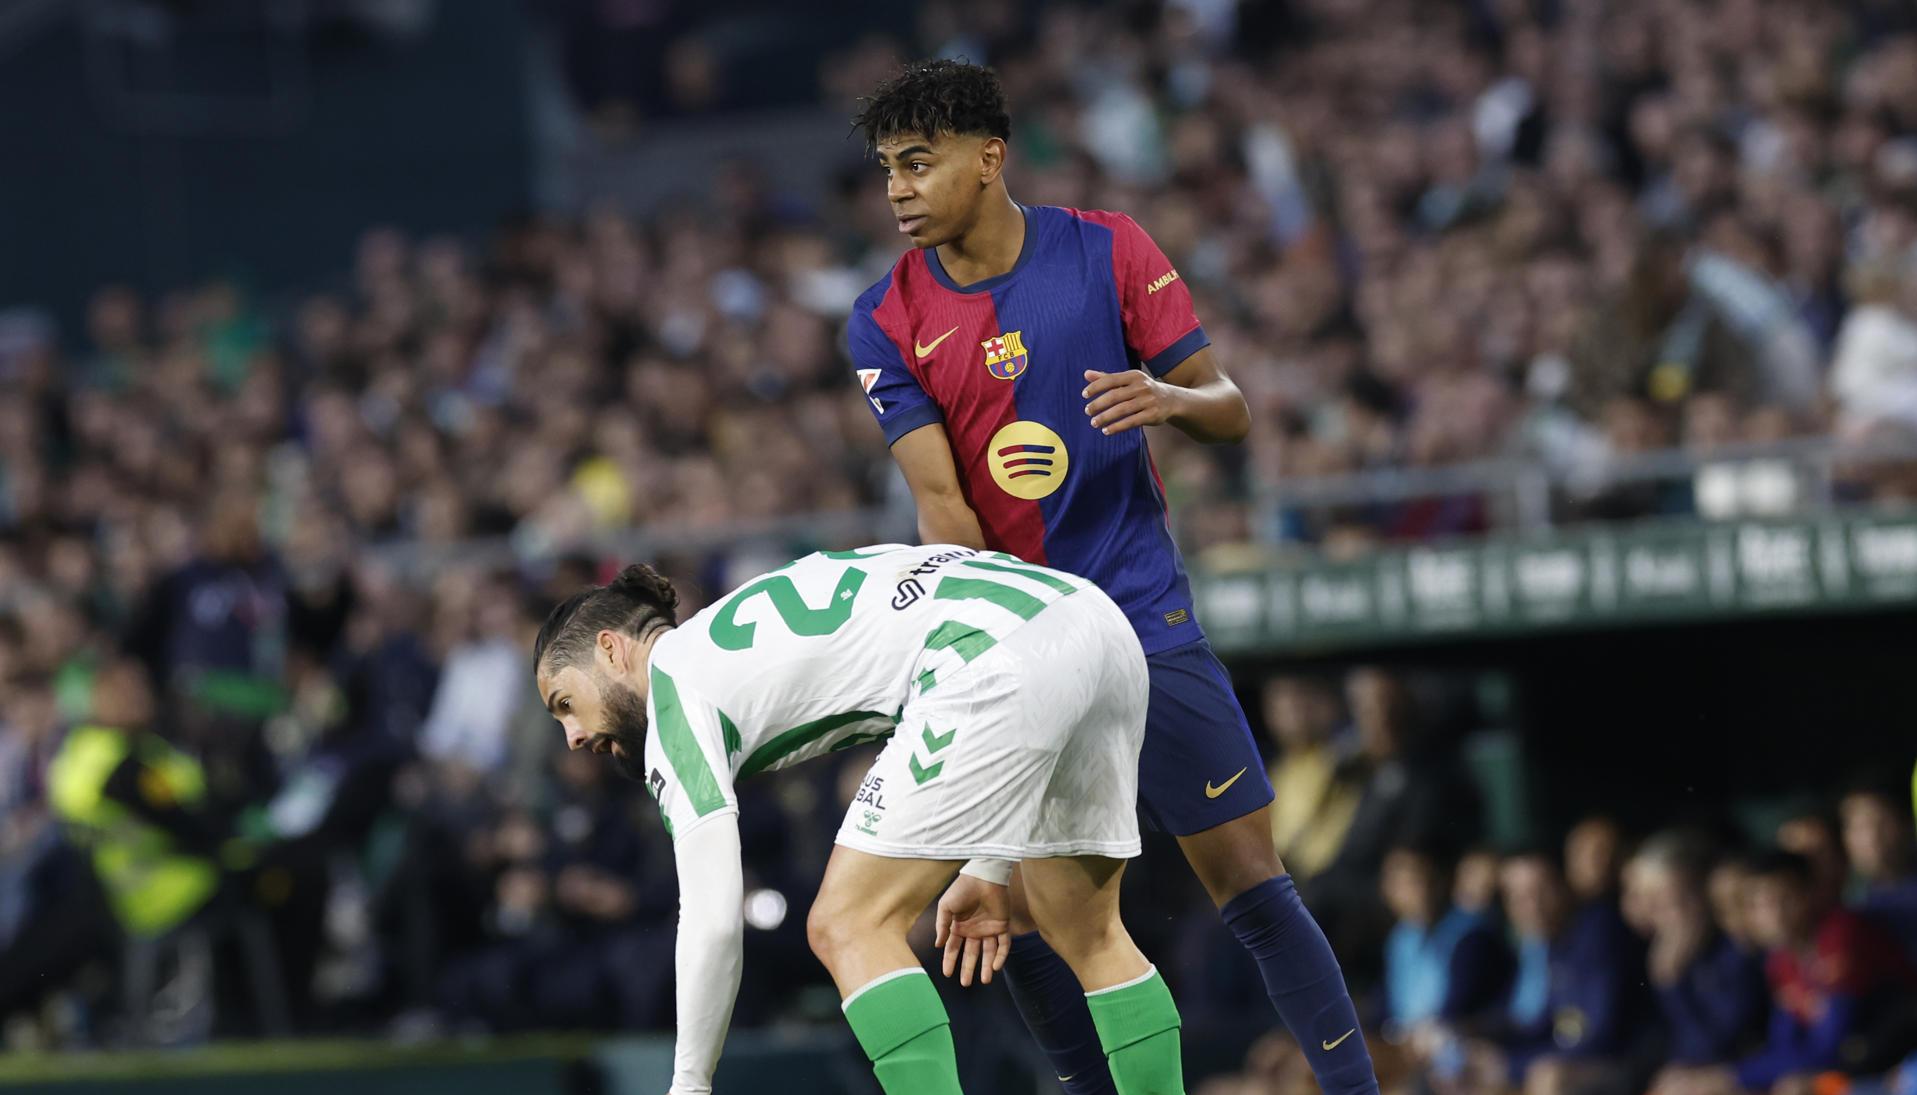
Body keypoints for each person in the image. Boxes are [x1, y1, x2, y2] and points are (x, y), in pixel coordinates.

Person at [845, 58, 1377, 1095]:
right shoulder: (884, 317)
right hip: (1022, 646)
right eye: (887, 170)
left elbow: (1230, 408)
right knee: (1036, 919)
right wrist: (989, 653)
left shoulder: (1107, 249)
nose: (899, 189)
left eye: (919, 162)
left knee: (1251, 885)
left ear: (990, 157)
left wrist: (1169, 402)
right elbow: (943, 512)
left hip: (1143, 615)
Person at [532, 548, 1187, 1095]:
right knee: (1089, 930)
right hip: (1088, 620)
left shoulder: (675, 690)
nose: (570, 735)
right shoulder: (731, 629)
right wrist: (986, 861)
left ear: (613, 650)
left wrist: (689, 1081)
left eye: (566, 701)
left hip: (983, 656)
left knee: (846, 922)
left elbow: (711, 917)